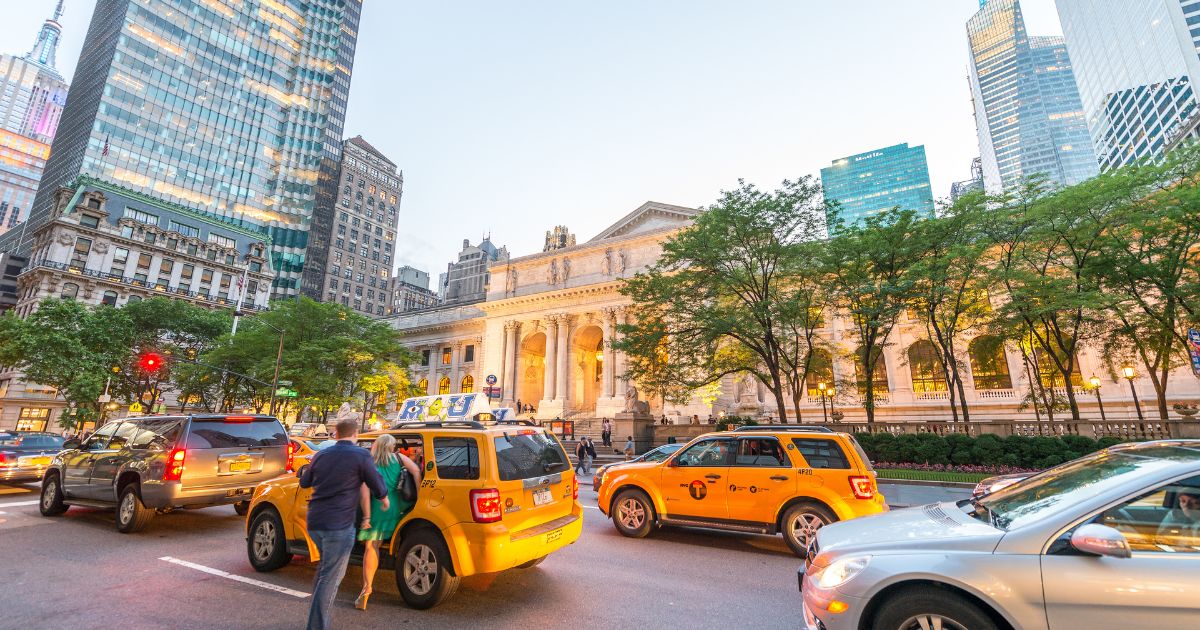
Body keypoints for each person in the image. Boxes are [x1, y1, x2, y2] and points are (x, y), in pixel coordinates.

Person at [299, 408, 388, 630]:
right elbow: (376, 482)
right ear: (355, 434)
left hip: (315, 522)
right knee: (330, 578)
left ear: (336, 435)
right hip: (339, 526)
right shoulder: (361, 455)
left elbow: (304, 482)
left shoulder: (321, 455)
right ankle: (317, 626)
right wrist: (384, 498)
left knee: (325, 572)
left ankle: (316, 621)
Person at [355, 434, 421, 611]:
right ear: (391, 447)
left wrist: (367, 517)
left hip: (379, 508)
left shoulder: (370, 463)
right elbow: (415, 471)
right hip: (398, 506)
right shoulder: (399, 458)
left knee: (371, 546)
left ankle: (367, 587)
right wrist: (419, 494)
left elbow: (364, 493)